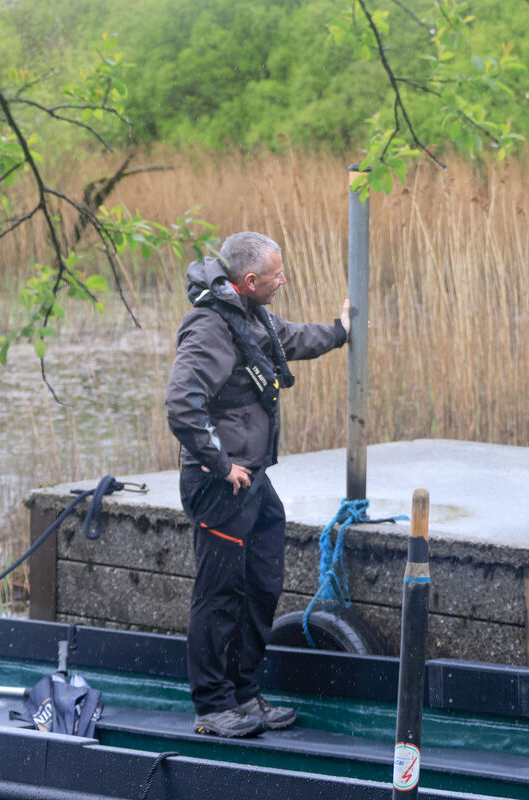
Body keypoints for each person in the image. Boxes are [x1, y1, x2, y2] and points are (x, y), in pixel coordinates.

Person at [165, 231, 349, 737]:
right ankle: (212, 706)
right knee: (219, 594)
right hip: (220, 482)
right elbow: (182, 404)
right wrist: (221, 465)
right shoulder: (209, 327)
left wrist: (340, 331)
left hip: (253, 480)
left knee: (262, 585)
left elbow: (289, 340)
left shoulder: (248, 314)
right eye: (276, 275)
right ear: (249, 281)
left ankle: (245, 695)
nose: (283, 281)